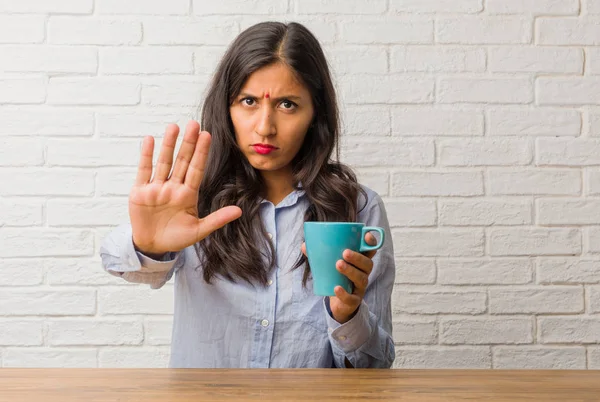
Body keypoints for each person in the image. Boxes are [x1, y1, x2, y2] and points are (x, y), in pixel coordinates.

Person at [99, 21, 396, 369]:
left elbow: (376, 365)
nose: (264, 127)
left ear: (316, 115)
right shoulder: (193, 202)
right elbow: (126, 267)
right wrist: (147, 246)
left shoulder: (358, 209)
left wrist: (347, 314)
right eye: (249, 101)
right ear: (227, 108)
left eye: (287, 105)